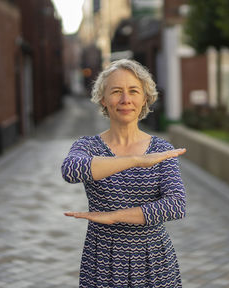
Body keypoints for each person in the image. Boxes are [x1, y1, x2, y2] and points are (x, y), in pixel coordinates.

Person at [61, 59, 187, 287]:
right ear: (103, 99)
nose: (125, 100)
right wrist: (135, 160)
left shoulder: (162, 150)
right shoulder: (87, 146)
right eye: (116, 91)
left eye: (133, 91)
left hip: (154, 260)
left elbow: (175, 205)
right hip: (102, 260)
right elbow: (71, 170)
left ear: (145, 98)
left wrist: (115, 216)